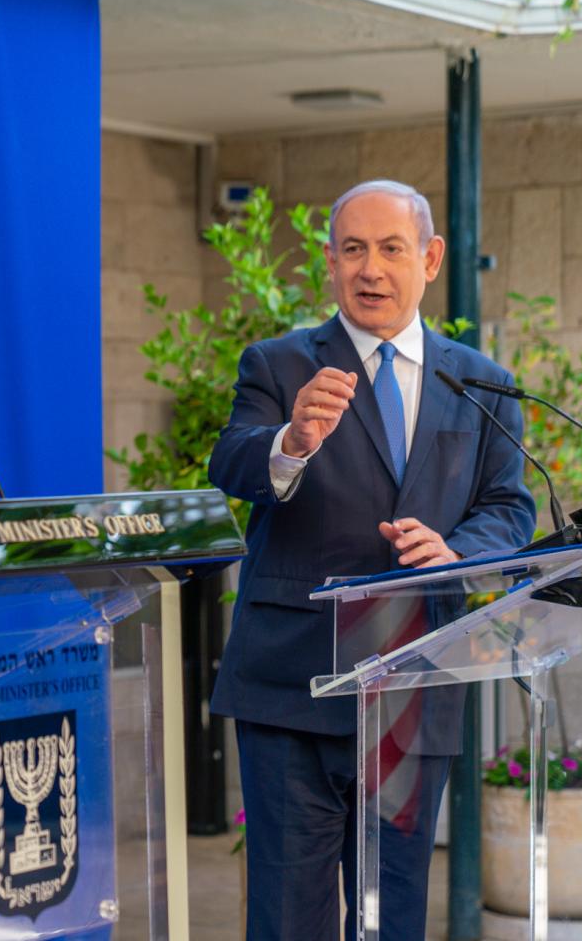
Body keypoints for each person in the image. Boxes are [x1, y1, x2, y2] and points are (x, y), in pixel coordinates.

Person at [208, 179, 536, 940]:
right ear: (329, 262)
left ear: (430, 258)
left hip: (414, 684)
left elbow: (509, 507)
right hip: (291, 687)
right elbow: (231, 464)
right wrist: (289, 443)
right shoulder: (278, 363)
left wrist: (456, 552)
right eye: (353, 250)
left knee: (392, 916)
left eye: (391, 249)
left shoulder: (480, 381)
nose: (371, 269)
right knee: (291, 918)